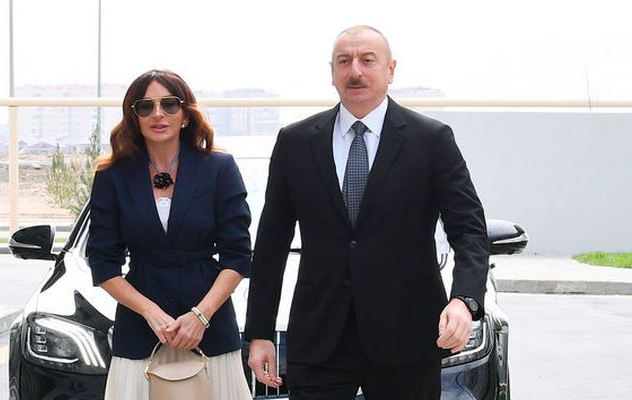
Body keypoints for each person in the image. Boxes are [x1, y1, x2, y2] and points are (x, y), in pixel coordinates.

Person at [244, 25, 489, 400]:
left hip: (406, 336)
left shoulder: (431, 140)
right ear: (332, 72)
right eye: (344, 61)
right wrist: (259, 332)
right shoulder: (295, 142)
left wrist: (464, 300)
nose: (355, 71)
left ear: (391, 69)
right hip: (320, 337)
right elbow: (271, 243)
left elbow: (469, 230)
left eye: (367, 60)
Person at [87, 69, 252, 400]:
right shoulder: (112, 176)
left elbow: (238, 256)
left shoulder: (219, 168)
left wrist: (200, 316)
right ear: (134, 117)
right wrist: (151, 313)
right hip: (139, 332)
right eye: (145, 106)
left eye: (169, 104)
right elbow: (103, 264)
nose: (158, 114)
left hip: (211, 331)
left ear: (186, 114)